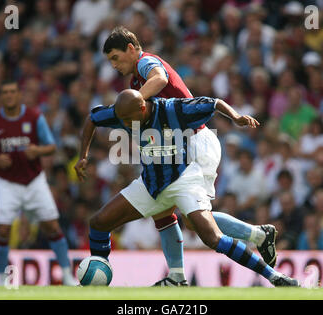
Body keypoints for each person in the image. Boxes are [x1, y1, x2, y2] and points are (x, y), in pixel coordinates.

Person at [100, 26, 278, 285]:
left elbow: (160, 78)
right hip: (182, 145)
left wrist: (134, 102)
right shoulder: (135, 82)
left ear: (130, 48)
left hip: (196, 141)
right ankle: (255, 237)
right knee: (186, 217)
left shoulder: (145, 63)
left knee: (188, 215)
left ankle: (180, 275)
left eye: (115, 57)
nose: (114, 65)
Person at [74, 89, 300, 287]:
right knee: (98, 223)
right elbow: (92, 117)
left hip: (183, 181)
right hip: (150, 185)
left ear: (143, 107)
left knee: (213, 238)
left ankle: (274, 277)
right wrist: (83, 156)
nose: (125, 124)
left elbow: (214, 103)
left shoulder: (173, 109)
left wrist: (236, 117)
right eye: (121, 120)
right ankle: (99, 278)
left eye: (129, 119)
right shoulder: (123, 113)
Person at [0, 80, 76, 286]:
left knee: (52, 227)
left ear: (19, 95)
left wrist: (37, 151)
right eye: (5, 92)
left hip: (34, 181)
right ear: (1, 97)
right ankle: (2, 276)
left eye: (13, 91)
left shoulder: (34, 117)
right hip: (7, 182)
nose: (9, 95)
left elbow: (51, 146)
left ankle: (66, 274)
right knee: (2, 230)